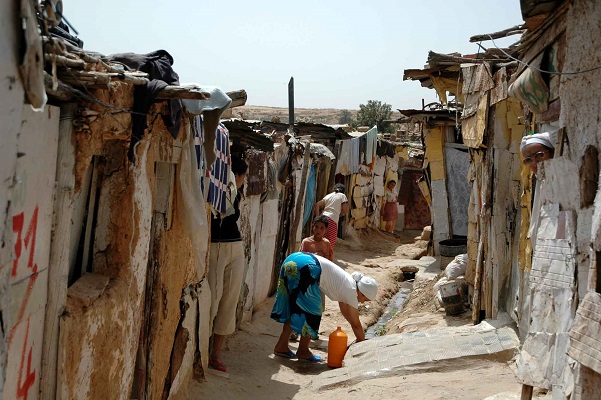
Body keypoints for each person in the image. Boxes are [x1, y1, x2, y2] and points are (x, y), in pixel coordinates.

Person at [271, 252, 377, 362]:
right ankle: (303, 351)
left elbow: (346, 312)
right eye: (365, 299)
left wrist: (359, 337)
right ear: (362, 292)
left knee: (295, 309)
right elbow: (356, 324)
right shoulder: (351, 290)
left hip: (294, 259)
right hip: (308, 267)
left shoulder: (347, 282)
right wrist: (362, 342)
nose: (363, 302)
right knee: (313, 312)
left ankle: (281, 347)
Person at [207, 155, 248, 373]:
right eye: (243, 177)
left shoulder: (236, 192)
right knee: (212, 299)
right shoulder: (216, 188)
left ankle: (215, 354)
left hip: (234, 246)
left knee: (229, 300)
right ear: (238, 175)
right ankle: (204, 351)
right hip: (217, 246)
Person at [520, 132, 555, 247]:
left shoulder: (563, 182)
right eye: (528, 160)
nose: (535, 162)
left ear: (553, 152)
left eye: (539, 155)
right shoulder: (542, 184)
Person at [314, 183, 349, 253]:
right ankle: (327, 258)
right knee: (330, 243)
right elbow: (345, 210)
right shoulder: (342, 196)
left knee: (320, 239)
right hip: (332, 220)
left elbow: (317, 204)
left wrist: (318, 217)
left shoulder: (329, 195)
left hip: (323, 218)